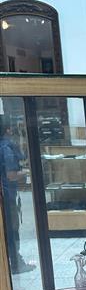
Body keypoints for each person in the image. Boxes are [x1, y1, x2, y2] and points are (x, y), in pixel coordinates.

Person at [0, 116, 35, 274]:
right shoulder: (6, 148)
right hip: (7, 195)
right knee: (12, 228)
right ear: (8, 130)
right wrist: (28, 172)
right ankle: (15, 262)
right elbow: (11, 175)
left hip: (5, 194)